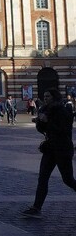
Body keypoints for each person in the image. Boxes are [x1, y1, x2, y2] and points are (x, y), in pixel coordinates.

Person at [21, 89, 76, 218]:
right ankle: (36, 207)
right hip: (50, 149)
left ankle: (36, 207)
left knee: (68, 180)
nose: (45, 98)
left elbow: (64, 130)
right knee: (43, 178)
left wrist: (47, 122)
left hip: (62, 149)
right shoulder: (45, 110)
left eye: (48, 96)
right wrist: (40, 122)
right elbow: (44, 130)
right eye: (44, 96)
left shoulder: (62, 111)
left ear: (54, 97)